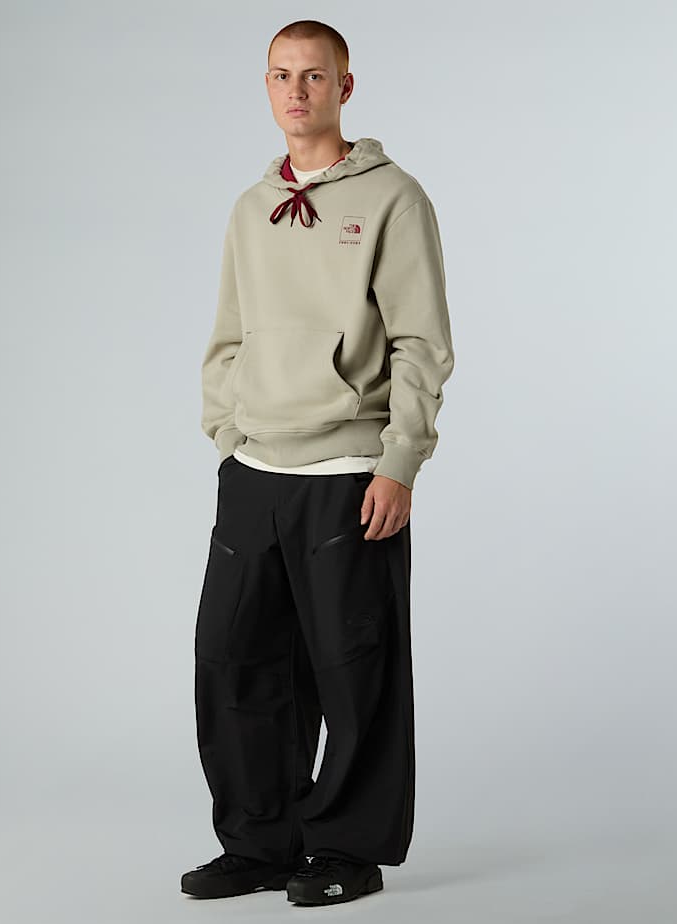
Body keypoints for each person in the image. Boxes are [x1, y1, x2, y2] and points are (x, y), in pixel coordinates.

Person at [181, 18, 455, 907]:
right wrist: (228, 433)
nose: (296, 91)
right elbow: (229, 334)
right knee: (235, 662)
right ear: (266, 87)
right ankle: (260, 842)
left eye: (313, 75)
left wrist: (400, 461)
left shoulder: (394, 198)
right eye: (280, 75)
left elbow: (420, 342)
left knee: (354, 668)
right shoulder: (251, 207)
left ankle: (345, 850)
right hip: (254, 469)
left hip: (348, 472)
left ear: (345, 86)